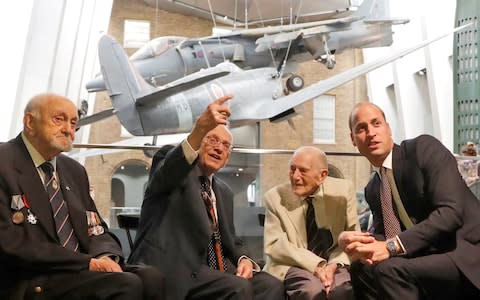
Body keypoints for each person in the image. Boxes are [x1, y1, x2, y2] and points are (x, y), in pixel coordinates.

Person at [0, 93, 165, 300]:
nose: (68, 130)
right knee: (125, 285)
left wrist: (105, 255)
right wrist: (86, 263)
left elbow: (95, 227)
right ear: (30, 122)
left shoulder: (74, 170)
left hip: (79, 270)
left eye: (73, 123)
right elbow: (10, 243)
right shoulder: (4, 163)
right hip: (31, 276)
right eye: (58, 119)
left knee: (152, 277)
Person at [129, 95, 285, 300]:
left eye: (225, 145)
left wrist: (245, 259)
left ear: (228, 156)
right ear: (198, 143)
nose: (219, 147)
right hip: (174, 266)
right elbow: (171, 169)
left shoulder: (224, 191)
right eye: (212, 139)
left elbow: (231, 240)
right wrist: (199, 129)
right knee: (237, 287)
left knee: (270, 284)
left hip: (216, 271)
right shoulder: (175, 169)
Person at [339, 102, 480, 299]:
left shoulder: (423, 149)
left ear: (388, 128)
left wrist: (390, 247)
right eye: (361, 129)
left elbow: (450, 213)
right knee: (361, 269)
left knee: (390, 270)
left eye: (376, 124)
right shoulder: (373, 189)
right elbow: (385, 234)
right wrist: (358, 243)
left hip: (464, 252)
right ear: (353, 139)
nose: (370, 133)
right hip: (425, 255)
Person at [263, 146, 359, 300]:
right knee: (312, 291)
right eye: (292, 169)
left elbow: (353, 236)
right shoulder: (274, 197)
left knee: (341, 289)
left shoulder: (343, 191)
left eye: (303, 170)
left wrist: (333, 265)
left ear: (322, 175)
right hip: (293, 263)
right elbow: (275, 245)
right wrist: (317, 265)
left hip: (335, 261)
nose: (295, 176)